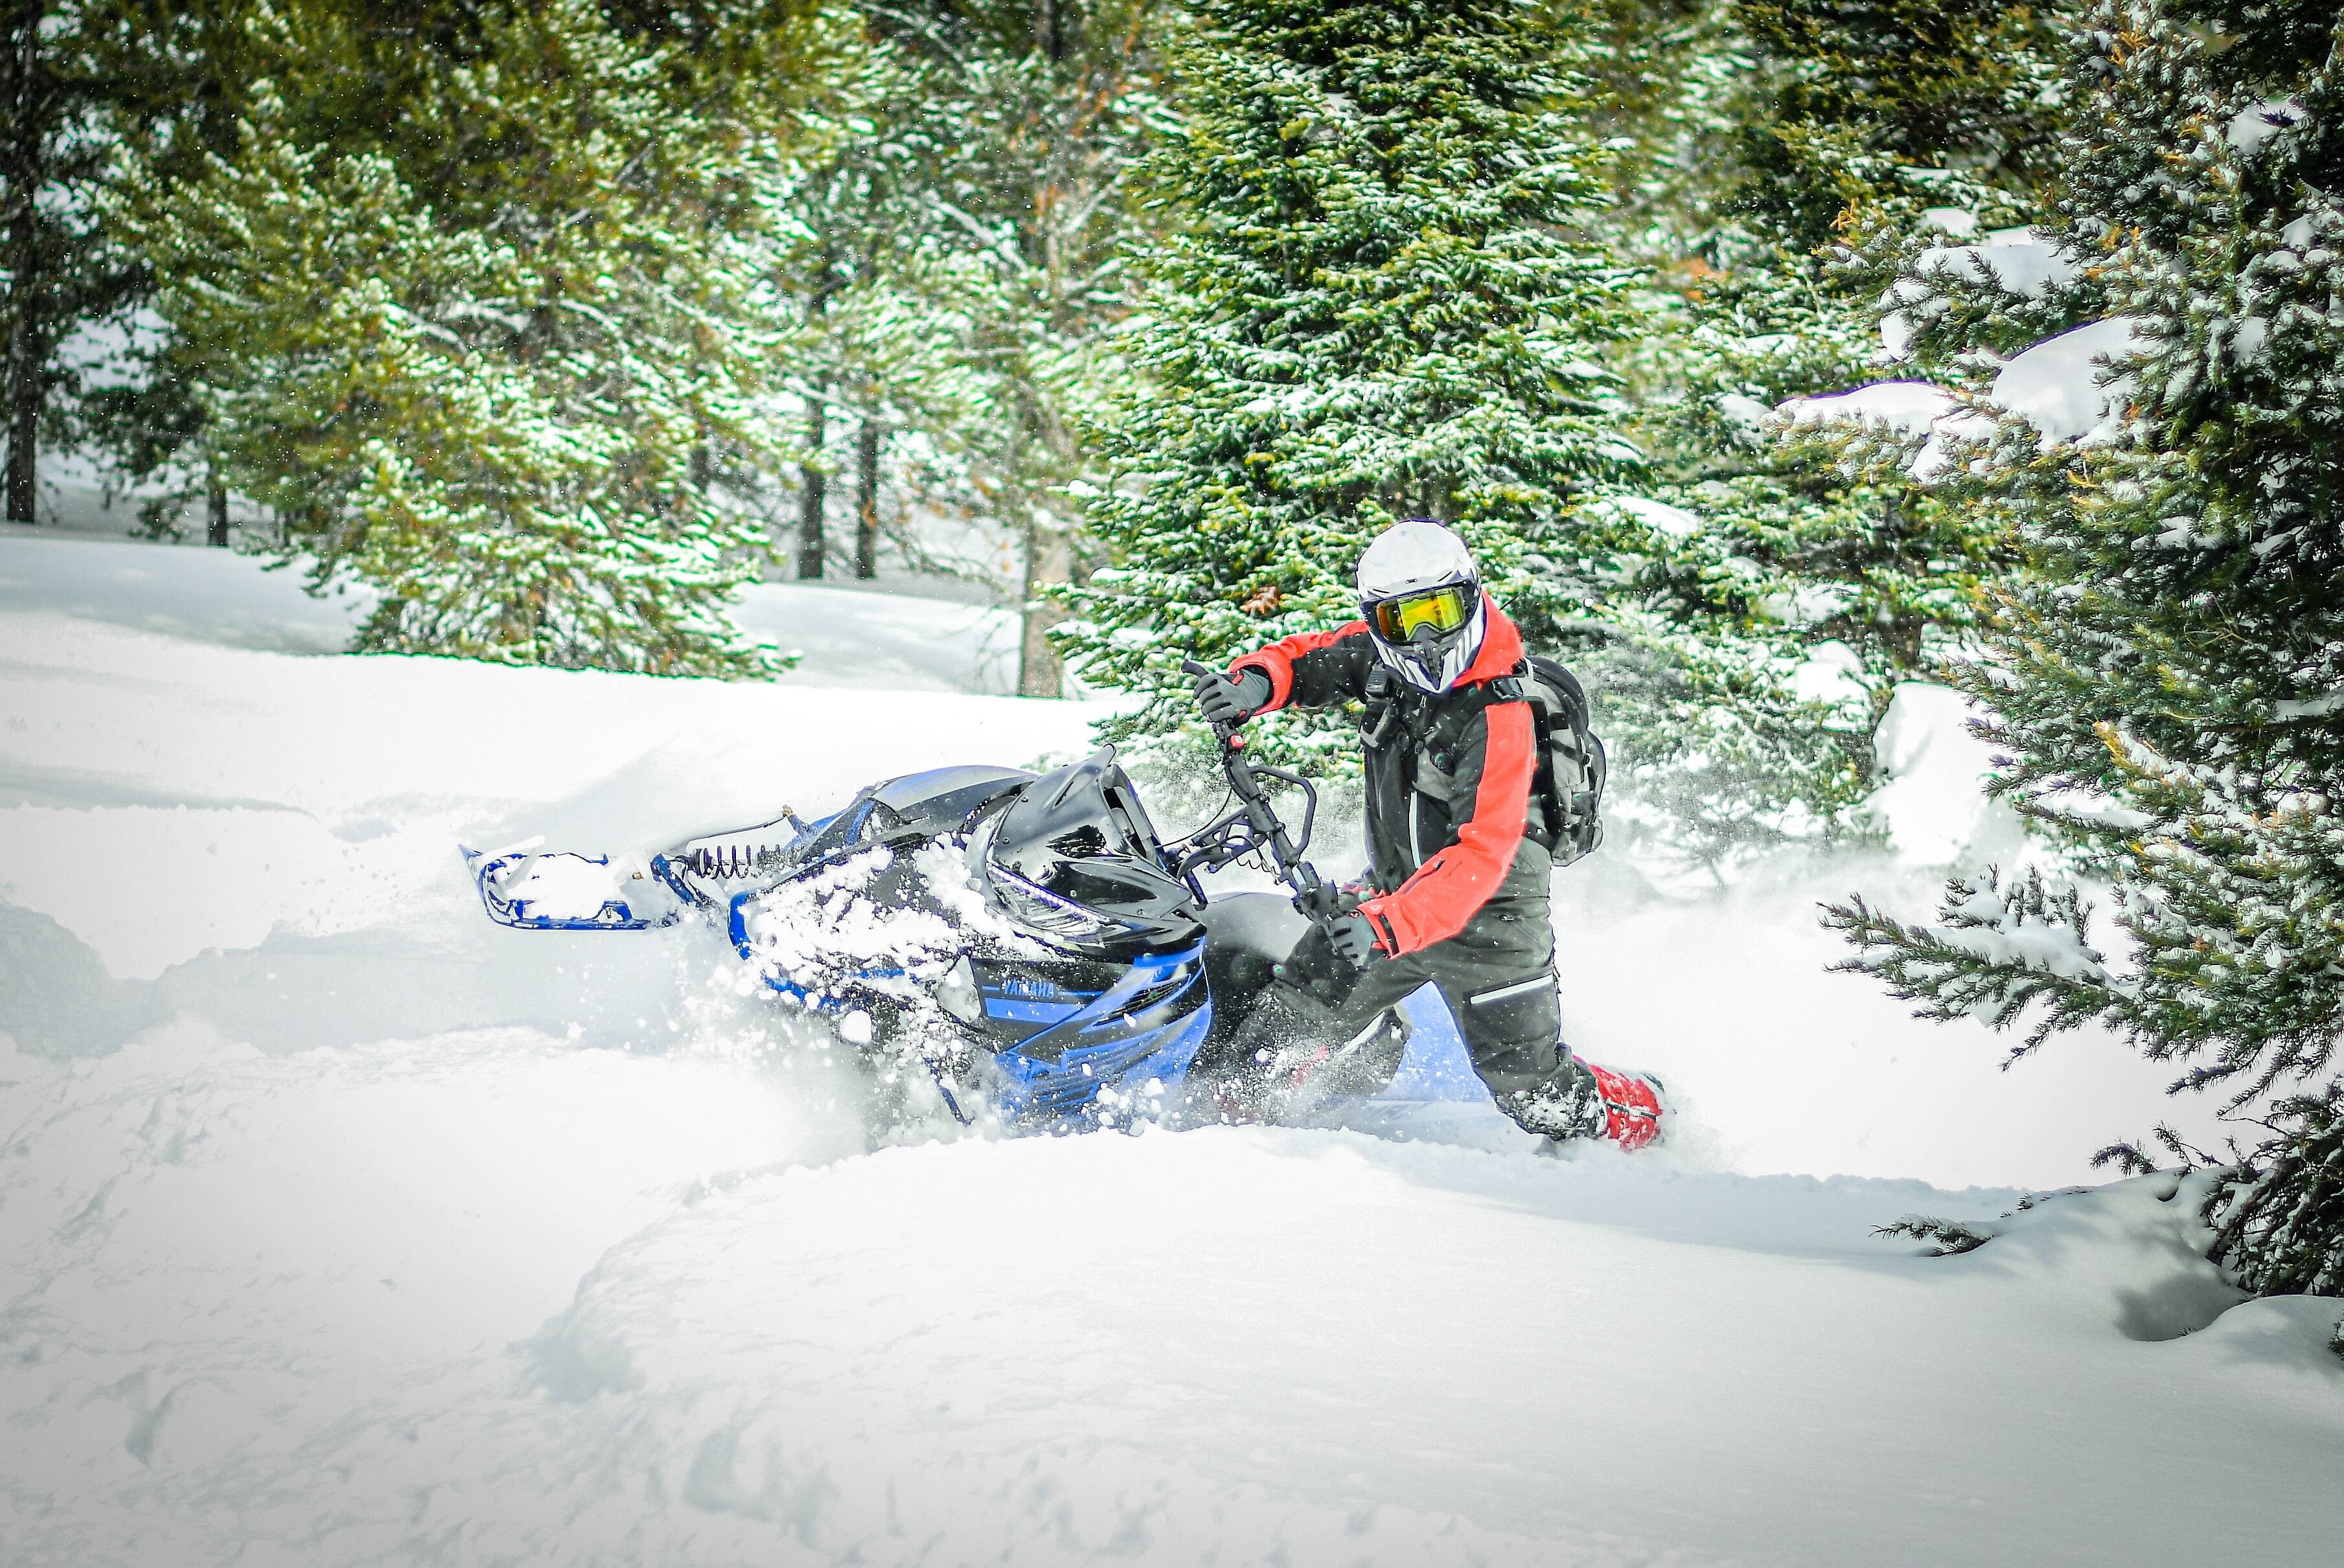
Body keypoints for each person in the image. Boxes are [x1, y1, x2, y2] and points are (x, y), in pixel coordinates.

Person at [1189, 519, 1658, 1146]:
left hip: (1491, 917)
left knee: (1537, 1097)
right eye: (1401, 620)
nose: (1425, 637)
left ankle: (1648, 1111)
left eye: (1439, 611)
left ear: (1469, 597)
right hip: (1393, 894)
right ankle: (1224, 1143)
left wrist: (1384, 925)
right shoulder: (1386, 663)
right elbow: (1312, 660)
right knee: (1282, 1029)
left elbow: (1483, 850)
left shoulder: (1499, 710)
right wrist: (1255, 682)